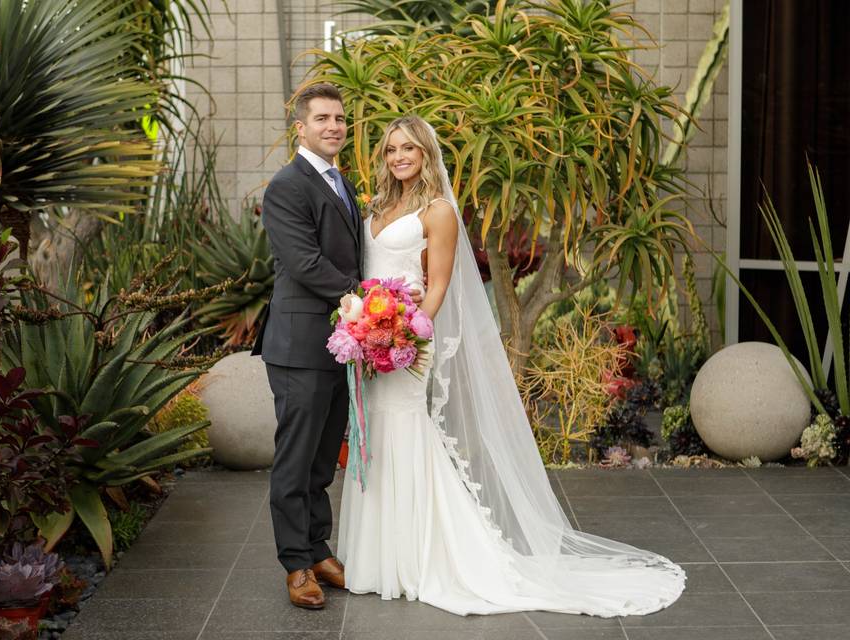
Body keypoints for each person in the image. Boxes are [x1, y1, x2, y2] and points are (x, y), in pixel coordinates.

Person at [337, 115, 687, 617]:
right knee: (378, 439)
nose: (399, 157)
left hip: (406, 340)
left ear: (426, 155)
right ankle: (378, 557)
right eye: (392, 149)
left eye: (409, 149)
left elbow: (436, 286)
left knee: (407, 434)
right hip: (369, 338)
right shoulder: (376, 205)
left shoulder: (437, 211)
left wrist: (407, 334)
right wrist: (363, 329)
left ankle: (417, 557)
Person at [252, 83, 422, 610]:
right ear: (300, 128)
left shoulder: (342, 183)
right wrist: (366, 299)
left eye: (340, 119)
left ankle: (319, 549)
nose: (333, 126)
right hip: (300, 344)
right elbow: (303, 264)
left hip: (340, 345)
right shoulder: (287, 186)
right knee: (296, 460)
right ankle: (295, 565)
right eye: (322, 118)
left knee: (325, 458)